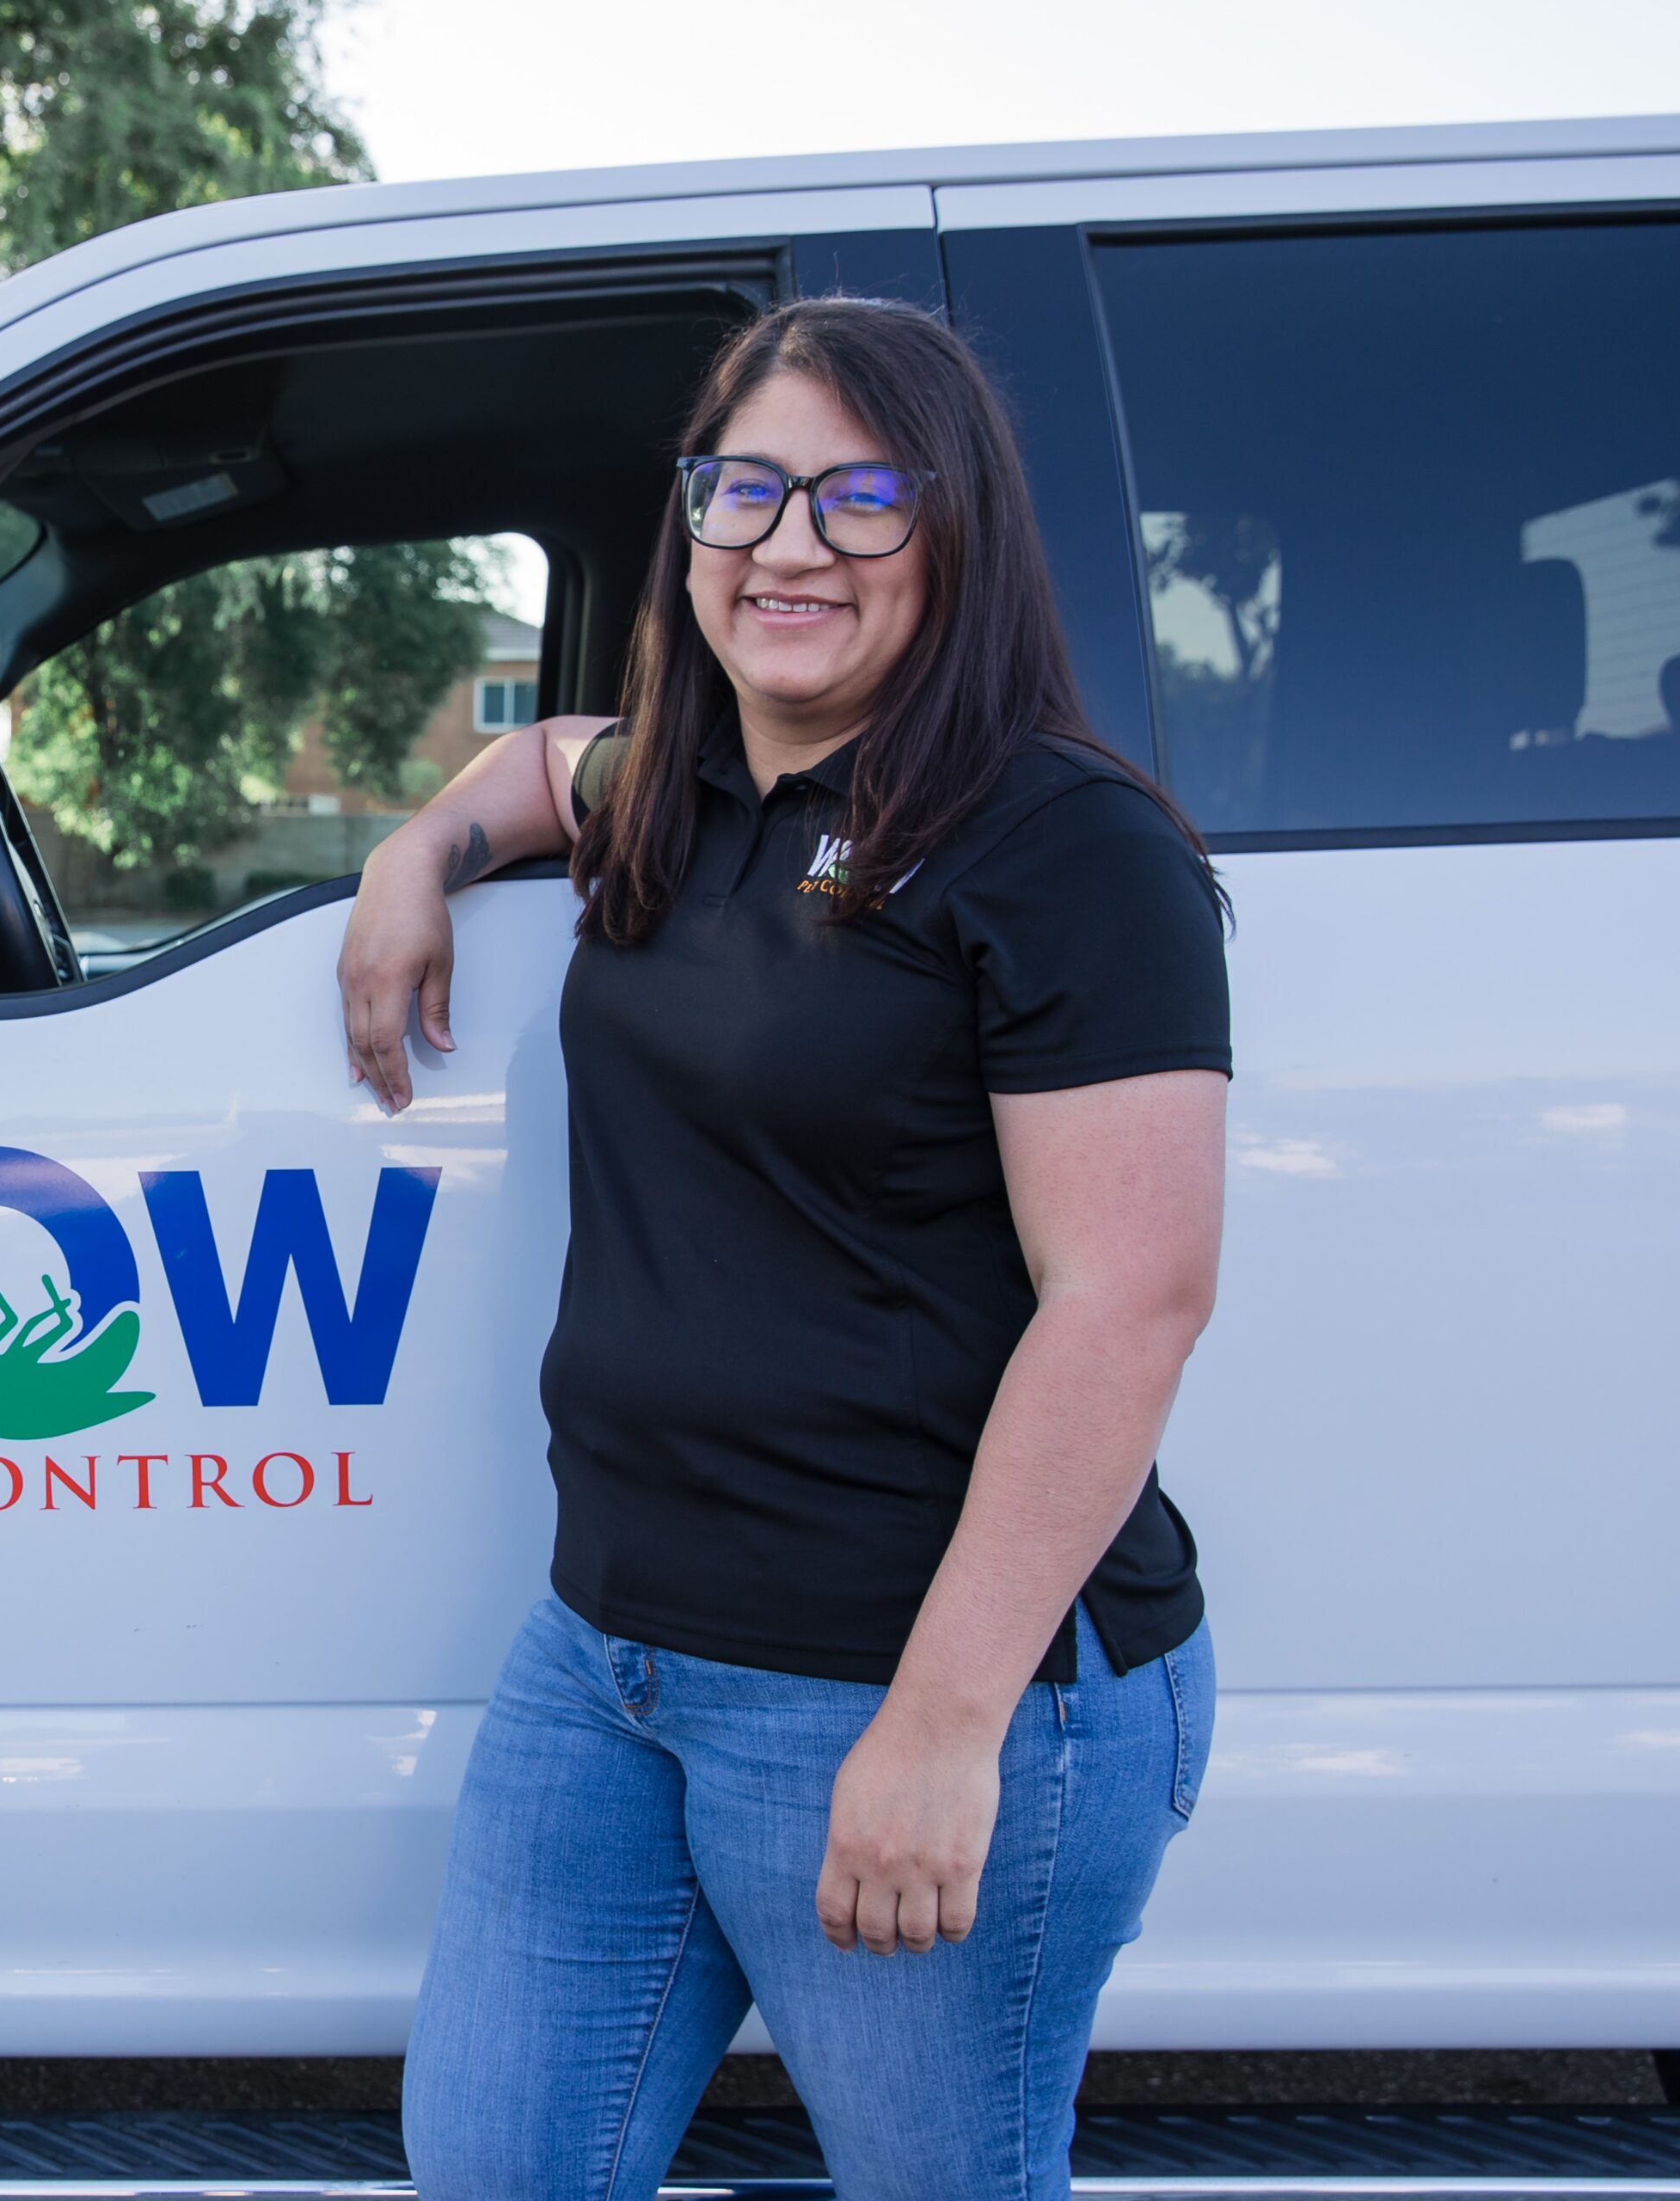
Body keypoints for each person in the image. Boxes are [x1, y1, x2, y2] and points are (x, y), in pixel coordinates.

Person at [336, 297, 1229, 2201]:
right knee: (495, 2169)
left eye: (857, 495)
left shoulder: (1057, 842)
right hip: (606, 1658)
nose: (787, 543)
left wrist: (940, 1724)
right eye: (742, 488)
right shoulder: (682, 781)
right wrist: (408, 857)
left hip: (897, 1676)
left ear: (954, 530)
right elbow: (535, 764)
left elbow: (1126, 1296)